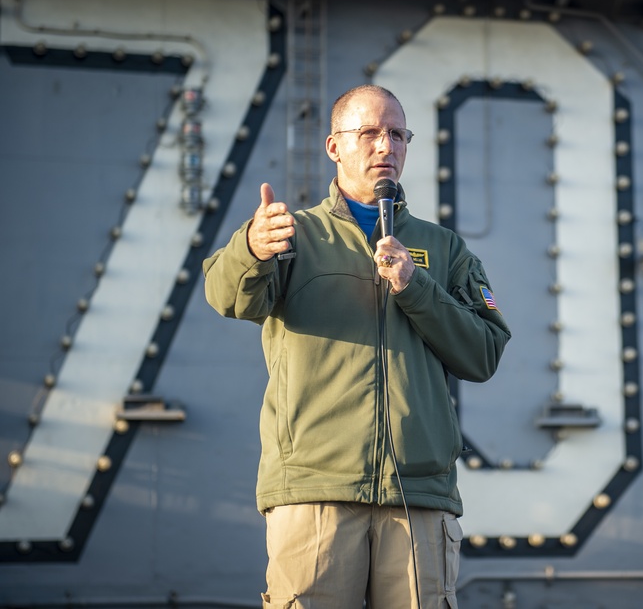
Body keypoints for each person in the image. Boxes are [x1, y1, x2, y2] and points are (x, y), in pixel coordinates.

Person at [203, 84, 511, 609]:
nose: (385, 146)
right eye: (369, 133)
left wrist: (416, 286)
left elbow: (483, 353)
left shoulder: (444, 249)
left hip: (416, 500)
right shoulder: (290, 233)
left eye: (397, 134)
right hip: (315, 491)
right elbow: (228, 296)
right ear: (334, 146)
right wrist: (250, 249)